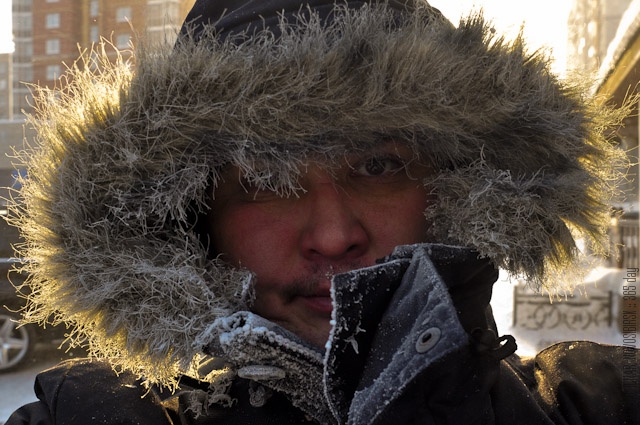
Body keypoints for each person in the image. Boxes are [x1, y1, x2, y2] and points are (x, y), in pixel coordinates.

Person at [5, 0, 640, 424]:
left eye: (379, 166)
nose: (334, 237)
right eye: (264, 179)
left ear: (461, 189)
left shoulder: (603, 403)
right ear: (195, 222)